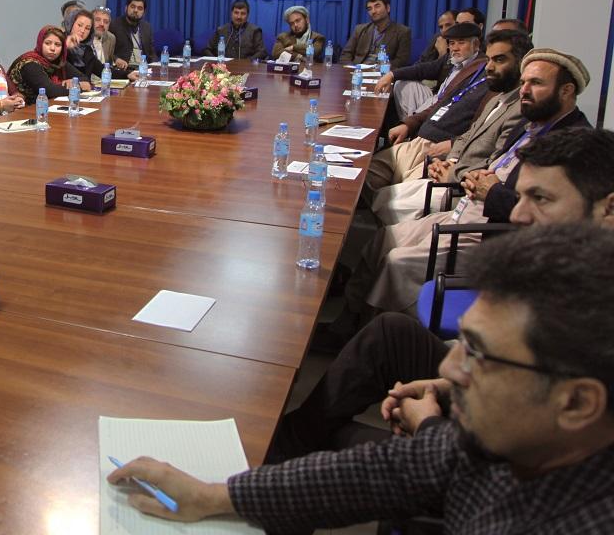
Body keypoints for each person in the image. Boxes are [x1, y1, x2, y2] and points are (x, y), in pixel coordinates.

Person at [108, 223, 614, 532]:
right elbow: (389, 470)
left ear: (577, 403)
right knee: (314, 452)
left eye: (478, 354)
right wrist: (215, 496)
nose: (446, 367)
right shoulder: (517, 440)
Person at [275, 127, 614, 464]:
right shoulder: (575, 262)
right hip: (495, 397)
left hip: (499, 460)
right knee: (390, 334)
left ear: (609, 209)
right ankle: (292, 439)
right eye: (520, 197)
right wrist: (445, 387)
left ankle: (289, 446)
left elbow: (530, 451)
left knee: (334, 445)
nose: (516, 215)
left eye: (540, 199)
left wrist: (428, 425)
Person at [362, 48, 591, 314]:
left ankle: (389, 326)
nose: (525, 90)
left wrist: (491, 191)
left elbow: (552, 219)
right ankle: (353, 312)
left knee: (397, 262)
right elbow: (496, 163)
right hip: (467, 208)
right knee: (383, 238)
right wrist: (475, 176)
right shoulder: (531, 124)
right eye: (524, 82)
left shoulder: (576, 145)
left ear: (566, 91)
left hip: (493, 233)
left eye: (536, 83)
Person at [370, 29, 531, 224]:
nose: (489, 66)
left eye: (499, 60)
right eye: (451, 43)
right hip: (432, 146)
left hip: (453, 172)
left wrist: (452, 166)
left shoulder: (515, 104)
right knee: (365, 178)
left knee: (386, 202)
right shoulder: (490, 89)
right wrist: (410, 124)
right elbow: (458, 123)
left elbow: (493, 161)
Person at [365, 22, 487, 191]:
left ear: (476, 44)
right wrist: (408, 124)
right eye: (452, 43)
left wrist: (454, 144)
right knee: (365, 174)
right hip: (423, 135)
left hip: (438, 146)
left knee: (391, 196)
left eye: (461, 42)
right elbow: (437, 101)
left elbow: (481, 128)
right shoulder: (454, 63)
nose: (455, 48)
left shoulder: (483, 76)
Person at [8, 25, 80, 102]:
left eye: (57, 45)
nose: (52, 48)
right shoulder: (30, 63)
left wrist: (73, 82)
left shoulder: (58, 63)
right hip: (24, 107)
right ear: (40, 43)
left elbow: (84, 79)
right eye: (47, 43)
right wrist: (78, 86)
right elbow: (50, 91)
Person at [340, 0, 412, 68]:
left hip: (383, 72)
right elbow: (345, 54)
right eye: (369, 9)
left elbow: (401, 61)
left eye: (377, 6)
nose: (373, 11)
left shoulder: (403, 31)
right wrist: (353, 68)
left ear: (388, 8)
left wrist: (382, 69)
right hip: (358, 70)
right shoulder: (359, 29)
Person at [64, 8, 131, 83]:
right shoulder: (60, 42)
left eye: (87, 28)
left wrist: (128, 74)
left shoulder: (86, 49)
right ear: (71, 24)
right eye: (79, 25)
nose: (82, 31)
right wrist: (65, 47)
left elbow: (102, 70)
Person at [109, 0, 156, 70]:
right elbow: (107, 51)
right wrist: (116, 59)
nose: (136, 10)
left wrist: (155, 67)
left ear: (144, 13)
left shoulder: (146, 27)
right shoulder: (114, 25)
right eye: (133, 7)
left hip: (144, 69)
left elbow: (151, 53)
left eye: (140, 8)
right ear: (126, 8)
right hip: (124, 69)